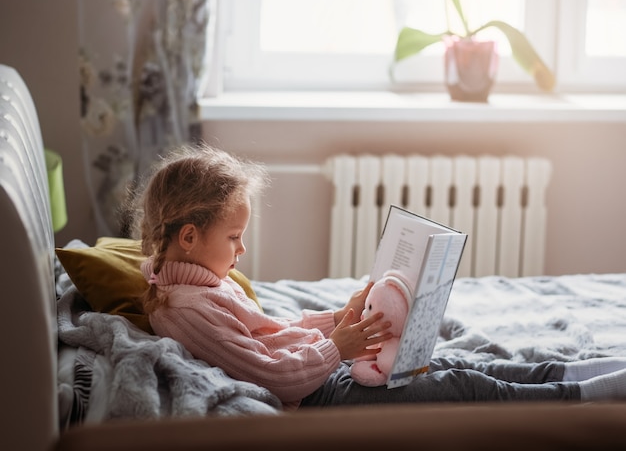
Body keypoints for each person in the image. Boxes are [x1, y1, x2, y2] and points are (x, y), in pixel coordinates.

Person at [131, 142, 626, 411]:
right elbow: (270, 374)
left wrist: (339, 320)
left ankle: (576, 371)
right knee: (458, 387)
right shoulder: (186, 309)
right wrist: (337, 349)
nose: (242, 249)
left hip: (322, 371)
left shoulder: (200, 281)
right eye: (234, 237)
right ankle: (580, 399)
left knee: (449, 360)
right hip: (320, 393)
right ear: (190, 237)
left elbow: (271, 335)